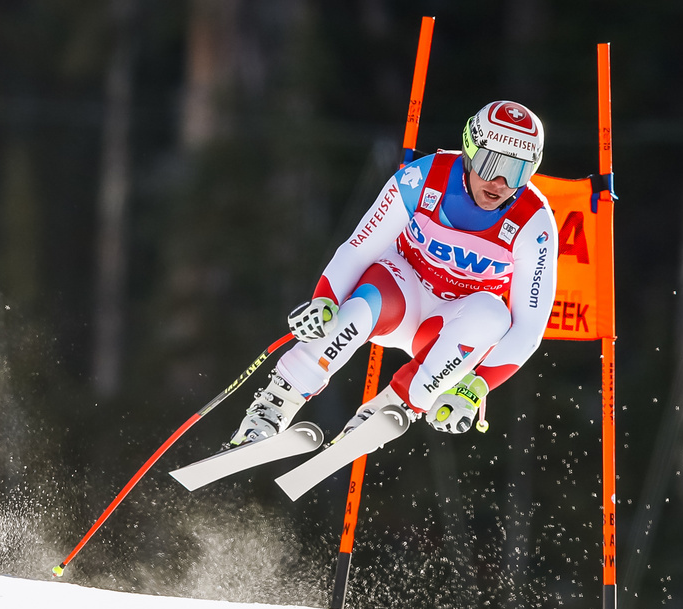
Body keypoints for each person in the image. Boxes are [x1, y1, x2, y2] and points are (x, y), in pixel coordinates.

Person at [230, 100, 559, 448]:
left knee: (494, 315)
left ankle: (388, 412)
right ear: (470, 149)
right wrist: (325, 301)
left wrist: (474, 388)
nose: (500, 182)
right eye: (493, 163)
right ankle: (271, 409)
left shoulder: (534, 222)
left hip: (449, 326)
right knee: (353, 311)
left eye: (519, 171)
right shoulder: (422, 178)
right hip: (399, 293)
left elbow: (529, 327)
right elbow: (358, 248)